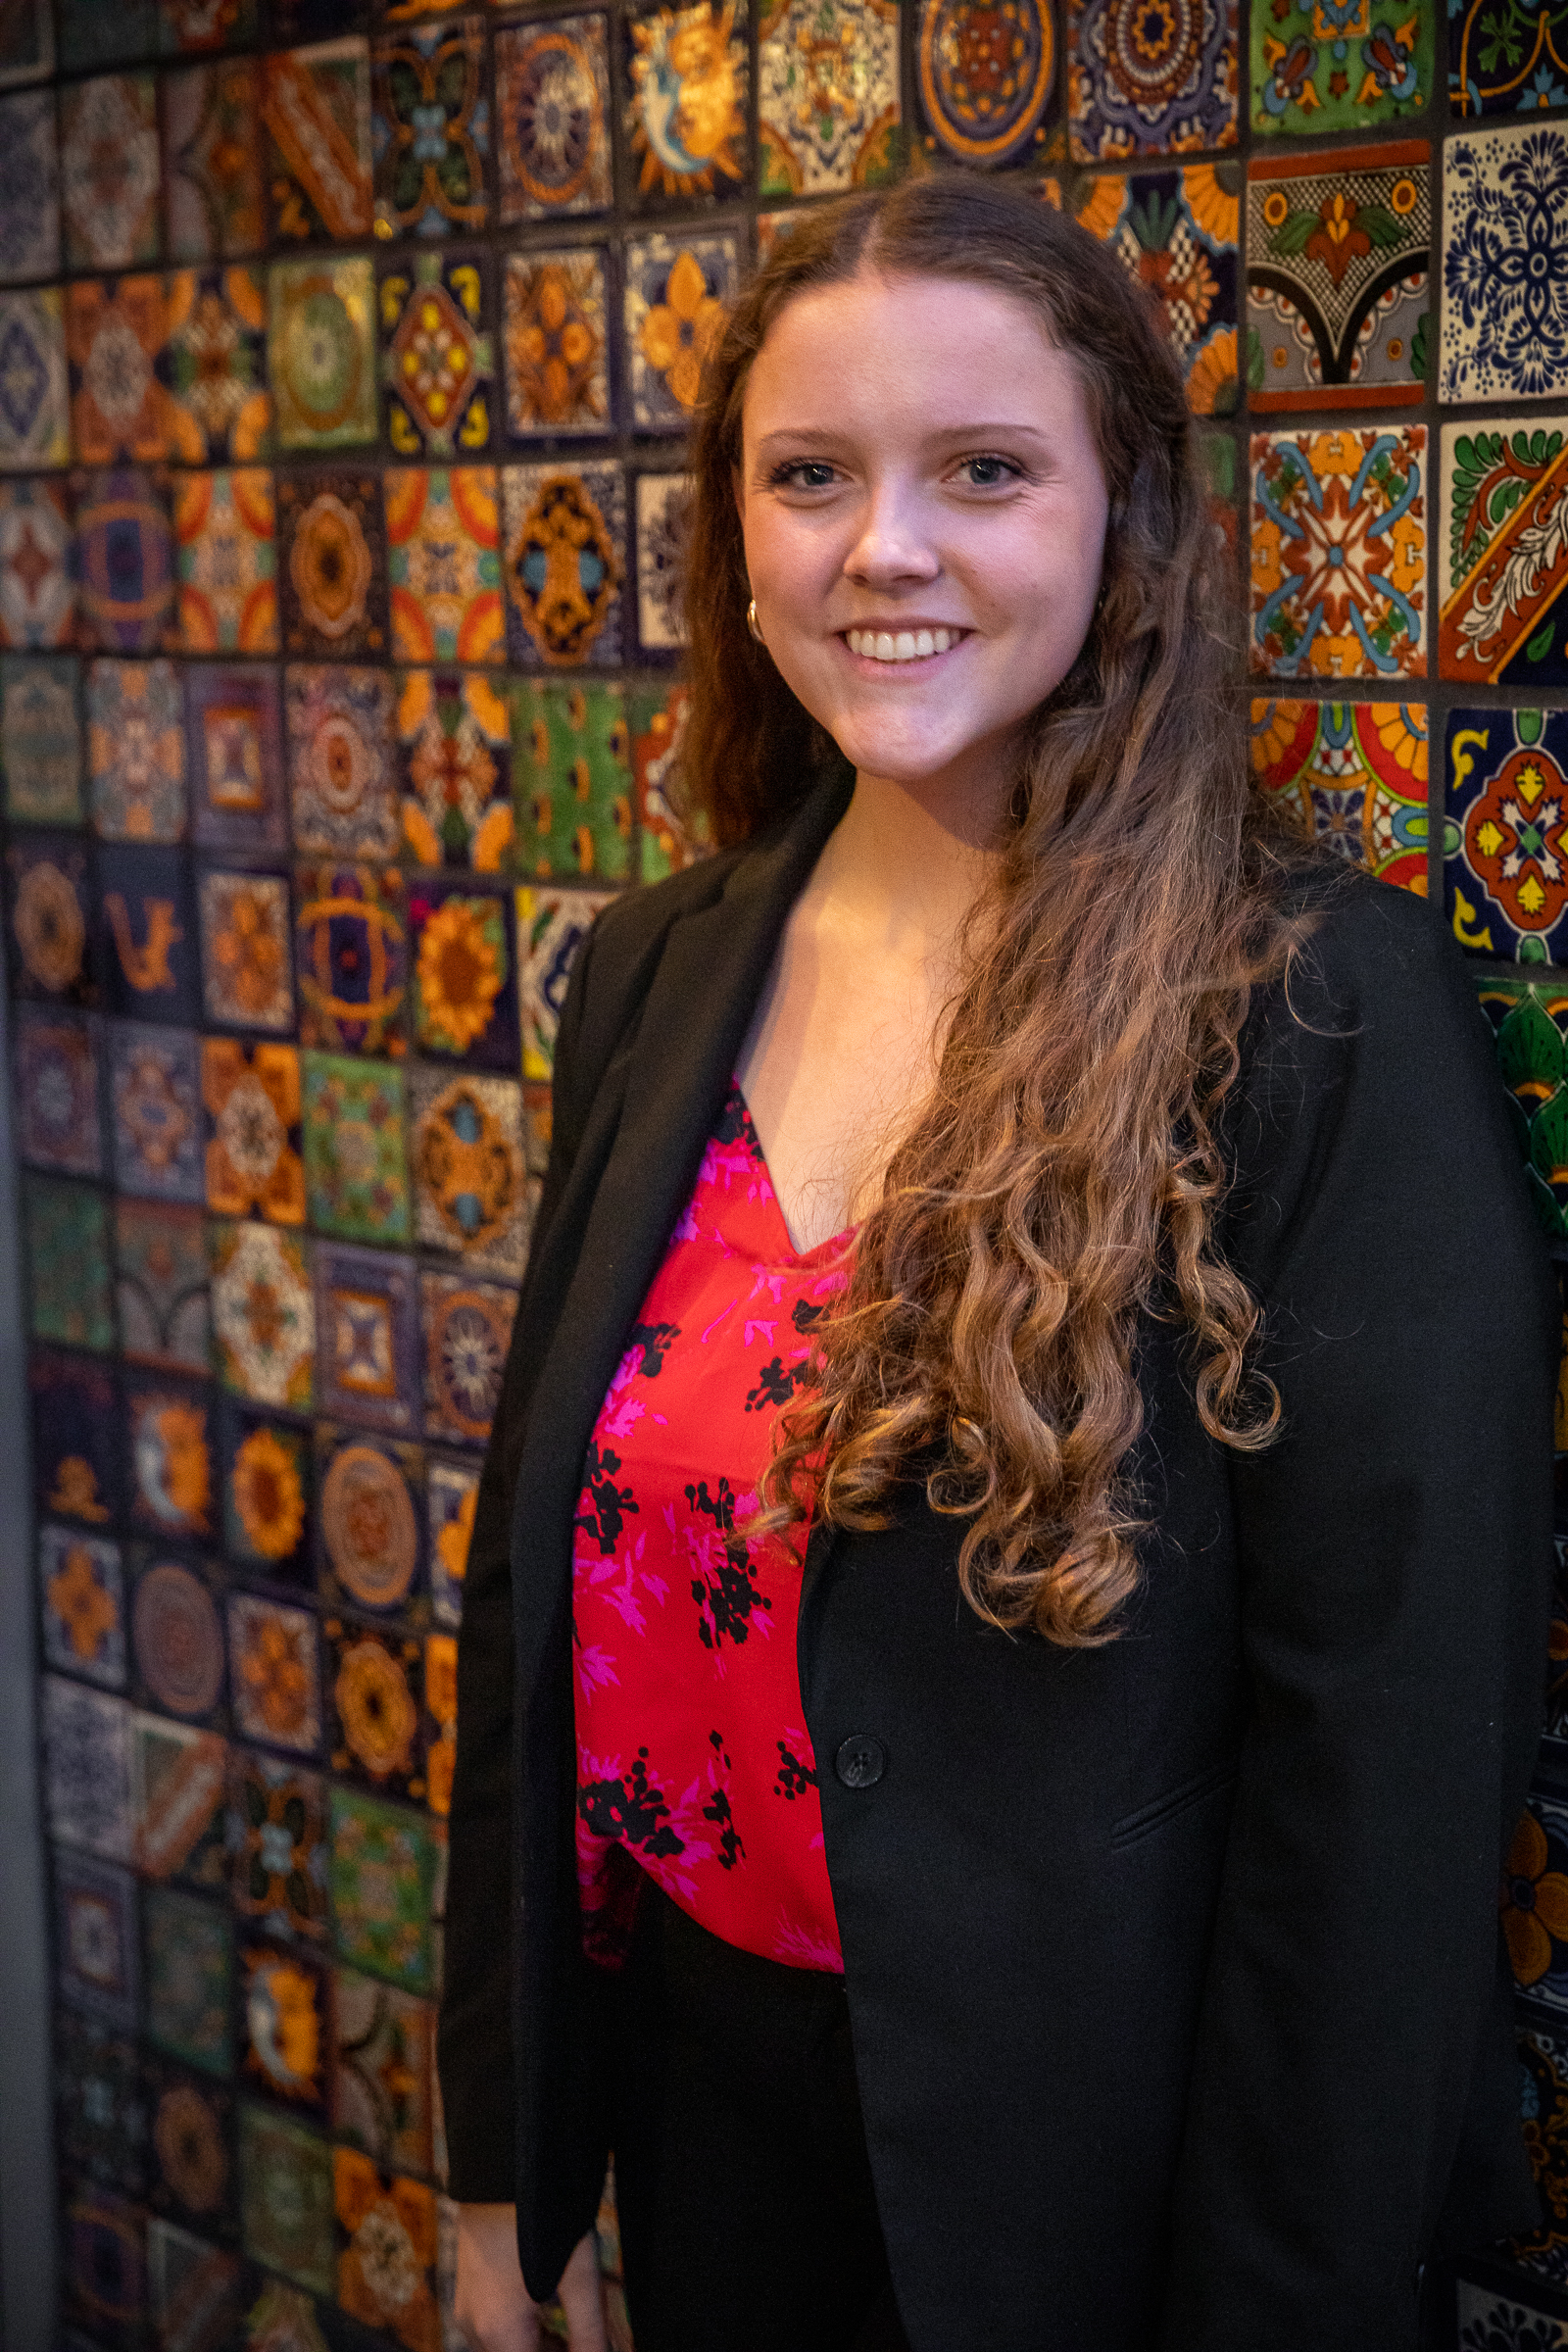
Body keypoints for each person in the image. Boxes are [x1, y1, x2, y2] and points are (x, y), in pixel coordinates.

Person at [438, 173, 1558, 2352]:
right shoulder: (658, 971)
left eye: (981, 470)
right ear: (732, 530)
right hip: (689, 2109)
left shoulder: (1307, 1010)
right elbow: (522, 1595)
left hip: (1095, 2194)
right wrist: (507, 2160)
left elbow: (1386, 1775)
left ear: (1121, 516)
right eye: (806, 476)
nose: (882, 549)